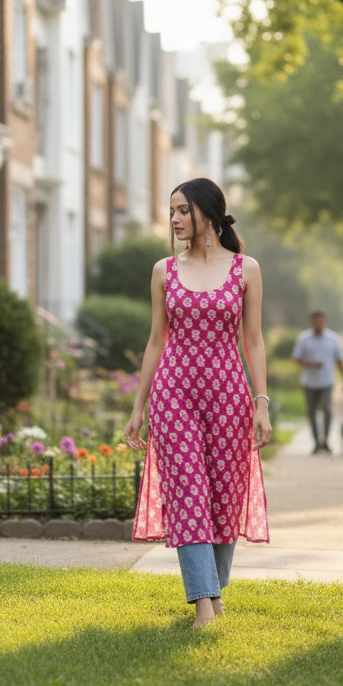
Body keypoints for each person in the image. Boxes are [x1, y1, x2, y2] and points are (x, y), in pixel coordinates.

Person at [126, 178, 270, 628]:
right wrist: (139, 405)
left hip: (229, 394)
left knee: (225, 497)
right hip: (174, 395)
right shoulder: (163, 271)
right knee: (188, 493)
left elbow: (254, 340)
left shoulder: (246, 269)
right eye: (172, 211)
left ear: (208, 212)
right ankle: (204, 606)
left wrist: (261, 403)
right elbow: (155, 341)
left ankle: (215, 589)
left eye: (183, 210)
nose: (175, 219)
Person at [292, 310, 343, 453]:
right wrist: (311, 363)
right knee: (311, 413)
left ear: (325, 322)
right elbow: (296, 357)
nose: (318, 324)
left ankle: (326, 440)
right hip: (309, 382)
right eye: (315, 321)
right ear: (311, 322)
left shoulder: (333, 339)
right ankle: (317, 442)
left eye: (321, 321)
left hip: (327, 381)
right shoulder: (303, 338)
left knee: (327, 410)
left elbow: (340, 360)